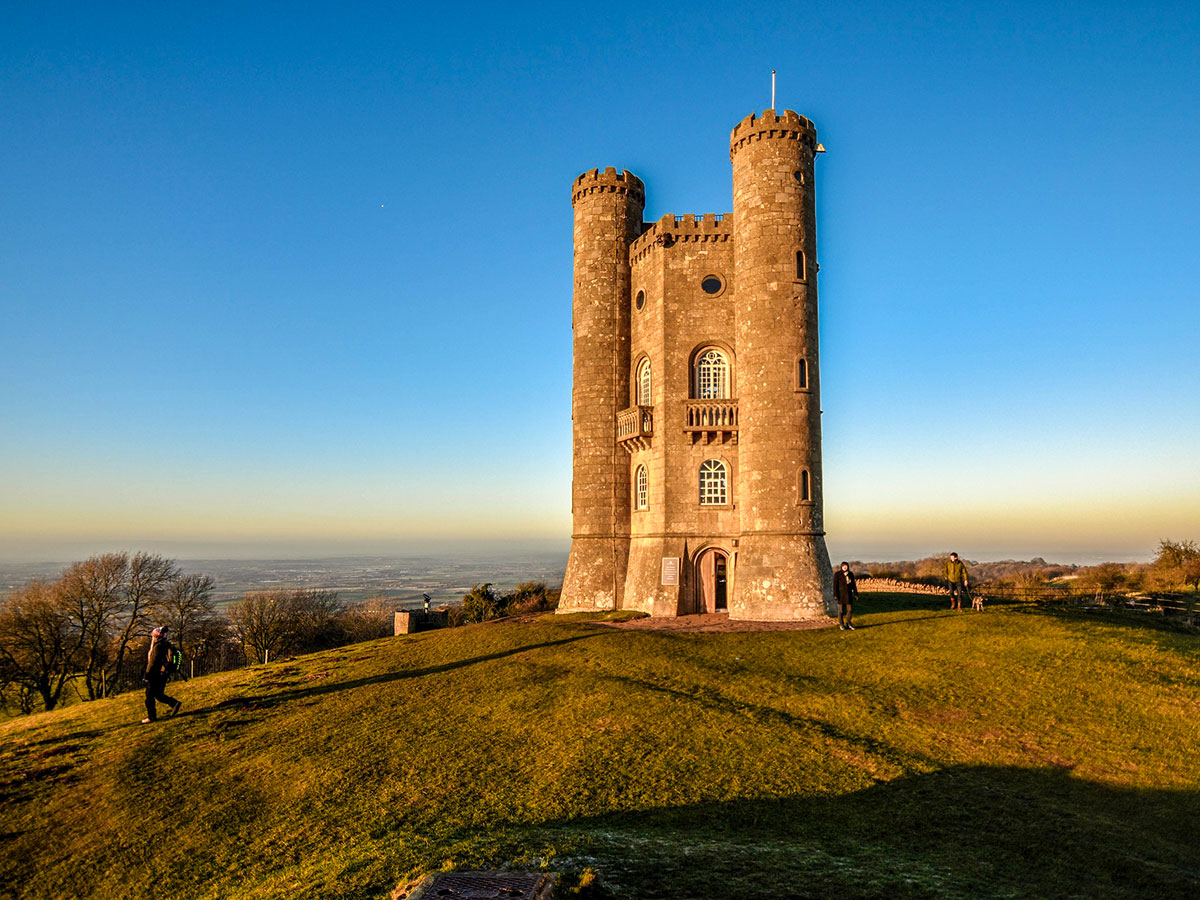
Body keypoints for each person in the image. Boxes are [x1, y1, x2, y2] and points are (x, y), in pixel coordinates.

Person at [142, 625, 182, 724]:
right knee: (158, 694)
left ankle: (152, 717)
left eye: (153, 636)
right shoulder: (165, 644)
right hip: (163, 673)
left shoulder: (157, 647)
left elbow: (153, 662)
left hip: (155, 674)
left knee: (149, 696)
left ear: (156, 636)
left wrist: (146, 676)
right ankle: (174, 703)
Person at [834, 561, 858, 630]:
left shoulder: (850, 574)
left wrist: (856, 594)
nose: (845, 567)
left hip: (849, 594)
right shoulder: (837, 574)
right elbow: (835, 585)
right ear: (841, 567)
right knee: (841, 611)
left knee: (849, 610)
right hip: (841, 595)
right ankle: (841, 624)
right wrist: (835, 595)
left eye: (846, 566)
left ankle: (849, 623)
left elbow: (853, 585)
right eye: (844, 566)